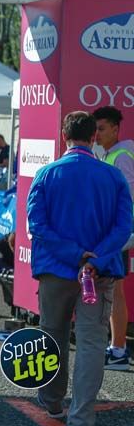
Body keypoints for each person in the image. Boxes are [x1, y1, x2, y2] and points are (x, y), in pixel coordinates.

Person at [27, 111, 132, 426]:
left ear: (63, 136)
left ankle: (52, 401)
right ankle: (81, 424)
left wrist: (75, 255)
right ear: (92, 137)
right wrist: (94, 258)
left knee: (52, 336)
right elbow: (124, 226)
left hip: (56, 270)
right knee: (90, 345)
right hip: (98, 274)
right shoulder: (113, 177)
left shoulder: (45, 174)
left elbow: (37, 226)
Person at [93, 106, 134, 370]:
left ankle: (118, 350)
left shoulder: (122, 156)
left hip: (118, 233)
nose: (96, 134)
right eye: (95, 128)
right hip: (113, 232)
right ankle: (115, 347)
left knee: (115, 290)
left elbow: (127, 198)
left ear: (116, 130)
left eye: (102, 128)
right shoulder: (109, 154)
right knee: (110, 289)